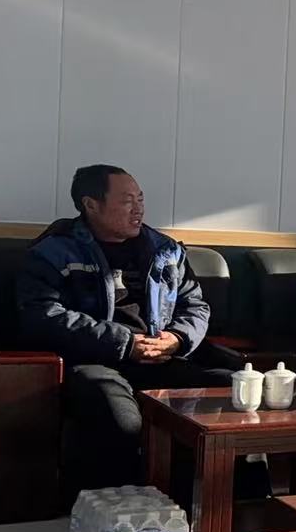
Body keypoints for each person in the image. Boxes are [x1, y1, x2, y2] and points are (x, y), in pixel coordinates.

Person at [17, 165, 235, 493]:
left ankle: (229, 502)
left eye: (141, 199)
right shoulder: (54, 252)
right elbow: (43, 316)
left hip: (161, 357)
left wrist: (177, 338)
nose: (138, 209)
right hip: (95, 360)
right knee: (119, 417)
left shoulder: (164, 250)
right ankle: (120, 507)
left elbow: (195, 306)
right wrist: (124, 343)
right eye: (127, 201)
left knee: (234, 392)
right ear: (91, 205)